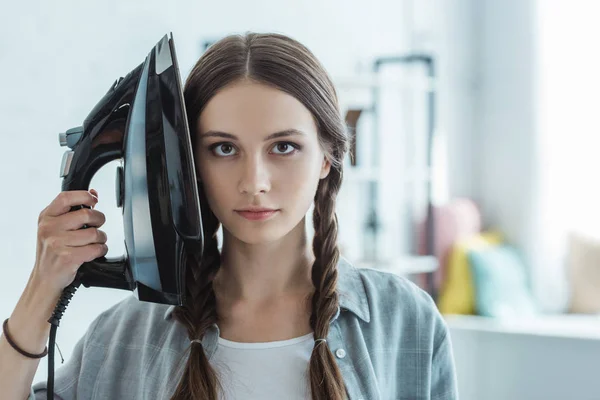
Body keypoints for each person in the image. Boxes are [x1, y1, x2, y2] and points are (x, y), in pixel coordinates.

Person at [0, 32, 458, 400]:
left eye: (284, 147)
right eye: (223, 148)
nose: (253, 180)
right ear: (189, 166)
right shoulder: (123, 337)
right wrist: (44, 286)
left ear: (326, 157)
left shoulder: (404, 320)